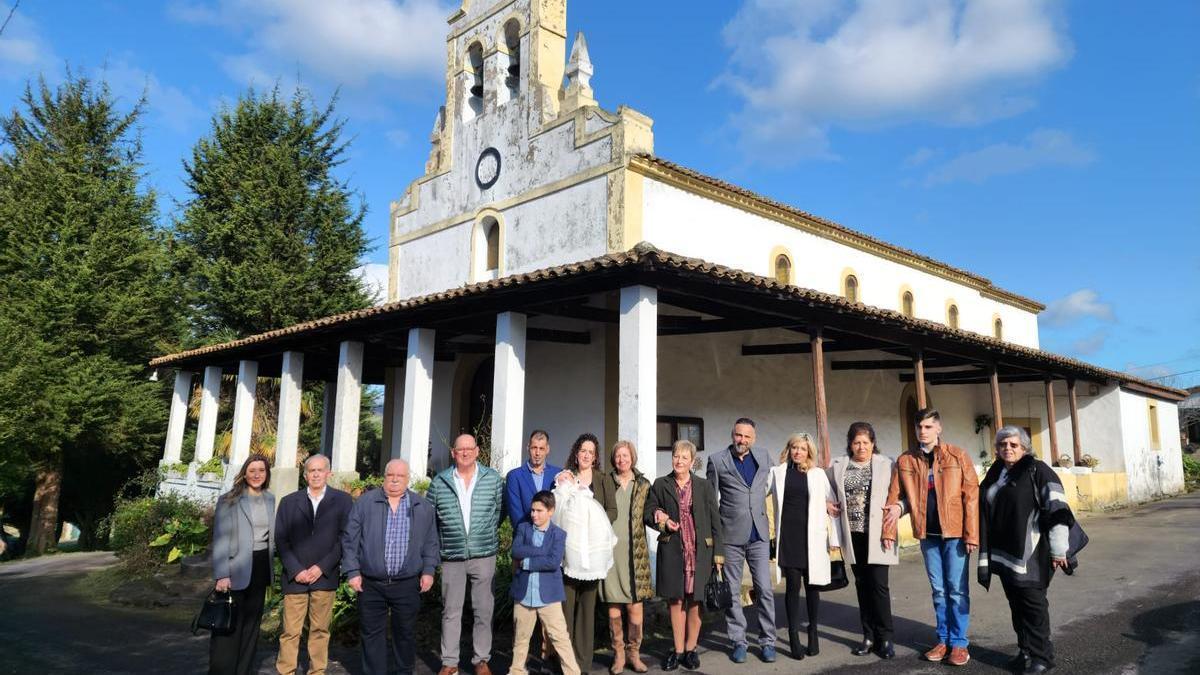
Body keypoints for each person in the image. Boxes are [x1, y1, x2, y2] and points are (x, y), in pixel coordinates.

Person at [884, 408, 980, 667]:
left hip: (955, 534)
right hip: (928, 536)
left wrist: (972, 533)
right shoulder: (905, 461)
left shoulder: (957, 455)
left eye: (928, 427)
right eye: (919, 428)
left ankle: (959, 644)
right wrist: (888, 530)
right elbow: (894, 498)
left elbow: (971, 496)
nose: (923, 432)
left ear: (939, 429)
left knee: (957, 590)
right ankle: (943, 639)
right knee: (939, 590)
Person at [978, 426, 1077, 675]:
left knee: (1033, 606)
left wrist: (1058, 550)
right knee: (1016, 605)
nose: (1007, 449)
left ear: (1024, 447)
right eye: (1002, 445)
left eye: (1013, 445)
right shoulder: (996, 472)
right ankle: (1025, 652)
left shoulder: (1038, 470)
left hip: (1031, 554)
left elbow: (1058, 509)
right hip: (1004, 553)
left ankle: (1042, 658)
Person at [342, 459, 440, 675]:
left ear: (408, 479)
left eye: (400, 475)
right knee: (371, 634)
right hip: (371, 583)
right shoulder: (365, 503)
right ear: (384, 477)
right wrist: (353, 571)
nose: (395, 479)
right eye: (390, 475)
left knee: (405, 633)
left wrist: (428, 571)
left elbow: (431, 543)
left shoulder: (422, 507)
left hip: (406, 583)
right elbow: (350, 540)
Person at [428, 434, 506, 675]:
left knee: (484, 610)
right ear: (453, 452)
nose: (464, 453)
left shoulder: (492, 479)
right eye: (460, 449)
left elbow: (500, 512)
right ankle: (449, 662)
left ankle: (481, 659)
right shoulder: (440, 482)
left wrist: (483, 535)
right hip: (452, 555)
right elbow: (431, 521)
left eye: (469, 448)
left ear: (477, 451)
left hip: (484, 554)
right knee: (451, 610)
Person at [646, 440, 724, 672]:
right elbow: (649, 512)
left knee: (696, 600)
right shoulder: (661, 484)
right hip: (673, 551)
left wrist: (718, 554)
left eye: (684, 457)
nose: (679, 461)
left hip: (701, 551)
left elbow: (715, 521)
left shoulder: (704, 485)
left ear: (692, 461)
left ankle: (691, 649)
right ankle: (678, 650)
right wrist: (661, 518)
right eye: (676, 456)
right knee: (676, 600)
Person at [705, 417, 776, 663]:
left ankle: (768, 641)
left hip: (759, 534)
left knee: (765, 589)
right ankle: (738, 641)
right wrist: (714, 539)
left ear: (753, 438)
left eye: (746, 436)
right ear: (732, 435)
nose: (742, 440)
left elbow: (771, 487)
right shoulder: (716, 460)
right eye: (738, 435)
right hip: (731, 536)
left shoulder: (765, 457)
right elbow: (711, 502)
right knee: (733, 591)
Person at [275, 454, 353, 675]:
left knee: (320, 630)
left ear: (328, 473)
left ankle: (317, 671)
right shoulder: (289, 502)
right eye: (312, 470)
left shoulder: (343, 501)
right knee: (290, 630)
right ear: (305, 474)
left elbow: (344, 538)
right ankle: (286, 671)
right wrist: (296, 569)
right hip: (295, 576)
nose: (316, 474)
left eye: (320, 470)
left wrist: (322, 567)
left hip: (324, 575)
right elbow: (281, 539)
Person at [828, 422, 898, 660]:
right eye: (856, 442)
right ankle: (868, 636)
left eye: (865, 442)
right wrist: (826, 503)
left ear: (873, 443)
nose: (861, 447)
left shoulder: (887, 464)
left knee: (879, 587)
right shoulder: (838, 466)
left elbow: (901, 494)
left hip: (877, 535)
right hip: (853, 535)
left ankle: (885, 638)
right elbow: (825, 490)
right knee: (861, 586)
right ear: (850, 444)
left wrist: (898, 509)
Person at [767, 433, 840, 661]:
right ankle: (793, 637)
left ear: (809, 452)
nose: (798, 452)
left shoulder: (818, 475)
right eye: (794, 447)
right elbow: (759, 493)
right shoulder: (777, 472)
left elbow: (832, 503)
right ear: (789, 450)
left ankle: (813, 632)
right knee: (792, 589)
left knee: (813, 588)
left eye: (802, 448)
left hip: (813, 539)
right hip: (789, 538)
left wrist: (834, 539)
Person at [553, 433, 617, 673]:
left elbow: (612, 510)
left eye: (591, 452)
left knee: (587, 611)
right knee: (566, 609)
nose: (586, 455)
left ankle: (583, 663)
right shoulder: (565, 477)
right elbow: (556, 510)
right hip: (569, 554)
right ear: (576, 453)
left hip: (593, 554)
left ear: (595, 456)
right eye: (583, 451)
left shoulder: (602, 480)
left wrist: (595, 525)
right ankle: (564, 662)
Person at [209, 454, 274, 675]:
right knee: (228, 626)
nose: (257, 475)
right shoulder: (230, 500)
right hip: (234, 569)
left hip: (261, 567)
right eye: (252, 470)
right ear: (245, 473)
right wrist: (221, 574)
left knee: (251, 626)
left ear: (267, 474)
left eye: (261, 470)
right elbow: (220, 538)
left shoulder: (271, 499)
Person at [593, 441, 653, 674]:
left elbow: (650, 512)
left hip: (635, 553)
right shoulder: (605, 482)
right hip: (610, 551)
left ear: (633, 458)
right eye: (618, 456)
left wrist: (662, 519)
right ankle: (618, 655)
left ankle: (634, 654)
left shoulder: (644, 484)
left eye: (625, 455)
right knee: (614, 603)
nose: (621, 460)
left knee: (635, 605)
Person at [510, 491, 582, 675]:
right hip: (523, 594)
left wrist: (526, 562)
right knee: (520, 638)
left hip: (549, 595)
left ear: (551, 511)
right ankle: (516, 671)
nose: (534, 514)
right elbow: (516, 551)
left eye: (539, 511)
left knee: (560, 638)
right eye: (532, 510)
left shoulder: (558, 534)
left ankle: (573, 672)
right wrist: (541, 551)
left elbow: (552, 562)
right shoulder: (523, 528)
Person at [506, 430, 565, 530]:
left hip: (551, 539)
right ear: (528, 447)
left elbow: (561, 510)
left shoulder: (558, 474)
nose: (537, 453)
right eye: (534, 448)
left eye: (541, 448)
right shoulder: (514, 476)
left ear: (547, 449)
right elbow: (516, 514)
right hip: (524, 539)